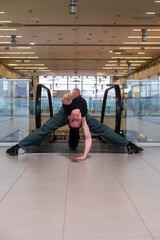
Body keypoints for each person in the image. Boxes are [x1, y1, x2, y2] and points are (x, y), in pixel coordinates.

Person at [6, 88, 143, 160]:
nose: (76, 117)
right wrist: (73, 95)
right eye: (75, 119)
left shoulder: (81, 118)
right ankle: (19, 146)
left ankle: (128, 145)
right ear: (69, 118)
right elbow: (66, 99)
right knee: (45, 129)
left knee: (103, 129)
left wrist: (84, 155)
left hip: (68, 110)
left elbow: (88, 138)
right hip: (62, 114)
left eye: (76, 120)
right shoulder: (72, 115)